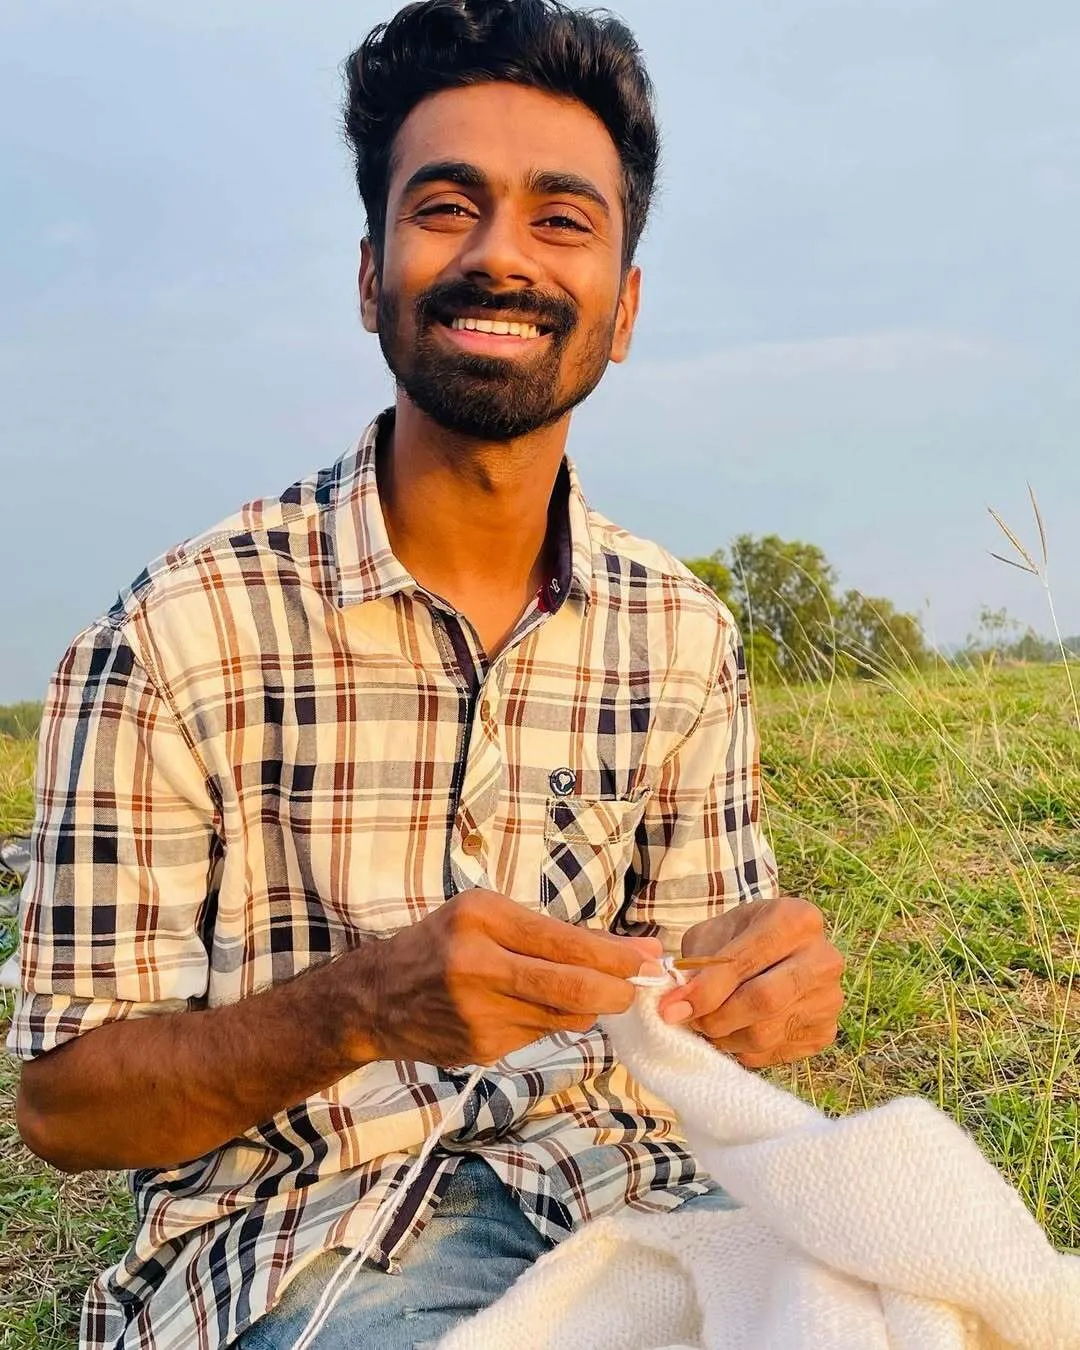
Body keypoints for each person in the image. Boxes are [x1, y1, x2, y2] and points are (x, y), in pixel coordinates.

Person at [9, 2, 845, 1347]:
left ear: (622, 307)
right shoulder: (174, 634)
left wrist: (761, 989)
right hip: (301, 1248)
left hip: (632, 1209)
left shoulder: (683, 633)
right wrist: (354, 1007)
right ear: (369, 274)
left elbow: (698, 995)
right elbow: (62, 1104)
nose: (501, 256)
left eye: (561, 219)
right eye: (447, 206)